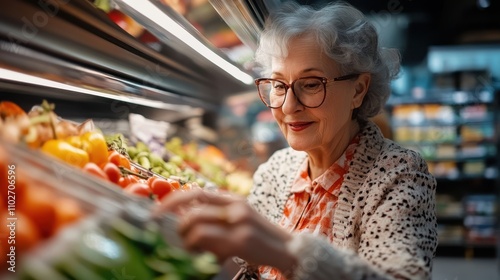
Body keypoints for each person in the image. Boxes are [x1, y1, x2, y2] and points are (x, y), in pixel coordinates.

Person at [156, 1, 438, 279]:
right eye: (279, 85)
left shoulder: (399, 174)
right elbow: (242, 266)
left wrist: (289, 254)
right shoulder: (276, 170)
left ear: (358, 89)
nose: (289, 107)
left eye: (312, 84)